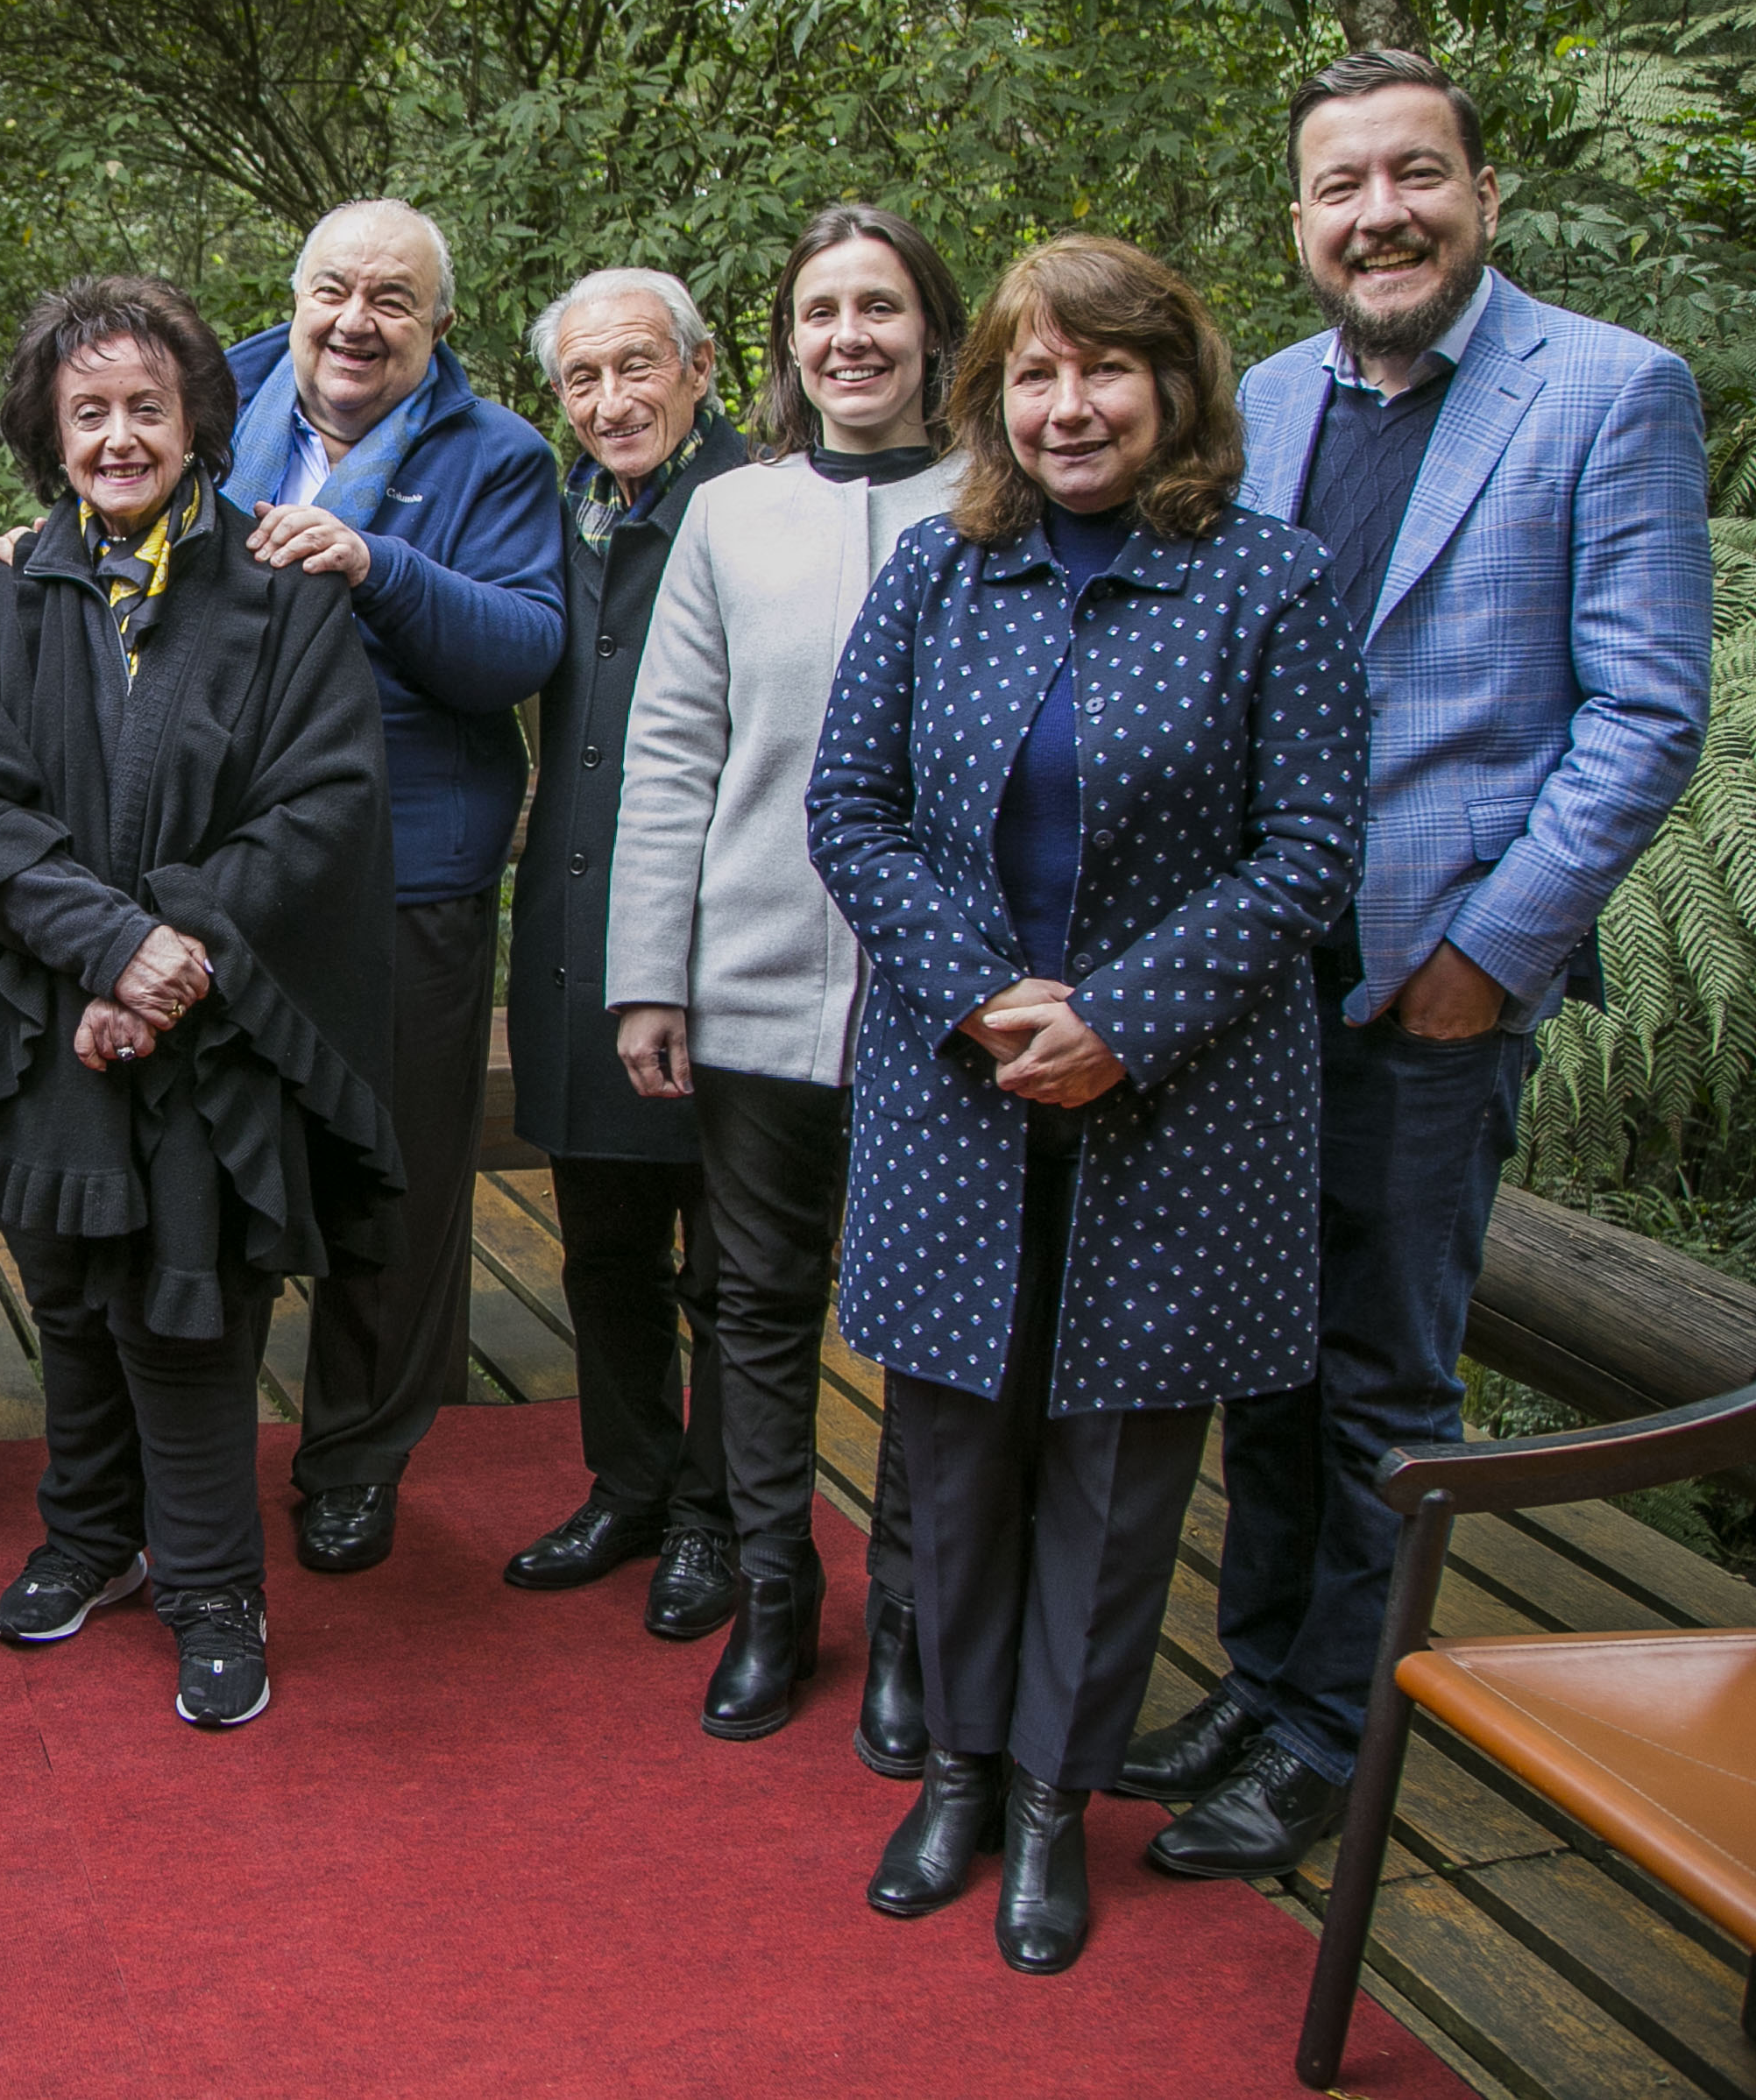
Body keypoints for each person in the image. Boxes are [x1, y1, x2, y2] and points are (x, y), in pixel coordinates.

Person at [1127, 48, 1713, 1878]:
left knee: (1383, 1369)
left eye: (1412, 175)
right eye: (1338, 185)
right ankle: (1256, 1667)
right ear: (1295, 218)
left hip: (1426, 990)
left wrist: (1484, 953)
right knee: (1261, 1352)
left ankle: (1329, 1728)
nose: (1376, 212)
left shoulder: (1604, 391)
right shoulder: (1266, 399)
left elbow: (1640, 715)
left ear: (1478, 191)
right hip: (1251, 982)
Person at [808, 233, 1366, 1976]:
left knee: (1122, 1474)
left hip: (1178, 1102)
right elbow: (850, 808)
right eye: (1033, 374)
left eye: (1102, 368)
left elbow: (1307, 855)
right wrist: (980, 996)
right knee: (954, 1456)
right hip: (954, 1088)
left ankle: (1055, 1796)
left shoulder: (1267, 583)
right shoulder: (932, 574)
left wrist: (1117, 1017)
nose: (1067, 404)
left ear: (1170, 386)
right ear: (989, 396)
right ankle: (960, 1771)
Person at [0, 274, 400, 1729]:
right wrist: (101, 953)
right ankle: (92, 1537)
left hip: (217, 1034)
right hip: (43, 1025)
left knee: (188, 1310)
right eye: (87, 412)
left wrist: (169, 963)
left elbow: (320, 810)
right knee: (72, 1297)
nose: (118, 435)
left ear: (200, 419)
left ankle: (214, 1585)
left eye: (147, 407)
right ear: (47, 433)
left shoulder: (286, 602)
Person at [603, 208, 959, 1754]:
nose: (850, 340)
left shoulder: (1000, 501)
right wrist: (647, 976)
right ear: (786, 346)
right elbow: (672, 752)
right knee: (755, 1302)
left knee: (930, 1321)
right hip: (750, 974)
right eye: (821, 314)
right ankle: (771, 1596)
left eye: (879, 308)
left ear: (933, 331)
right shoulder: (732, 515)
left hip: (951, 994)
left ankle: (910, 1624)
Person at [222, 202, 564, 1578]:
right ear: (293, 296)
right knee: (226, 1162)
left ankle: (356, 1458)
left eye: (393, 301)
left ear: (438, 325)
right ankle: (193, 1451)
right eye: (333, 290)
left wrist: (379, 563)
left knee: (399, 1184)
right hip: (233, 869)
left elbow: (523, 646)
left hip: (411, 870)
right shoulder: (211, 401)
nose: (356, 321)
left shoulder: (501, 458)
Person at [500, 270, 754, 1645]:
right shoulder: (553, 520)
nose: (612, 402)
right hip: (573, 926)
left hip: (726, 938)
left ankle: (723, 1514)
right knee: (599, 1242)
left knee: (729, 1257)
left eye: (637, 368)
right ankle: (631, 1482)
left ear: (701, 367)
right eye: (583, 381)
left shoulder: (761, 507)